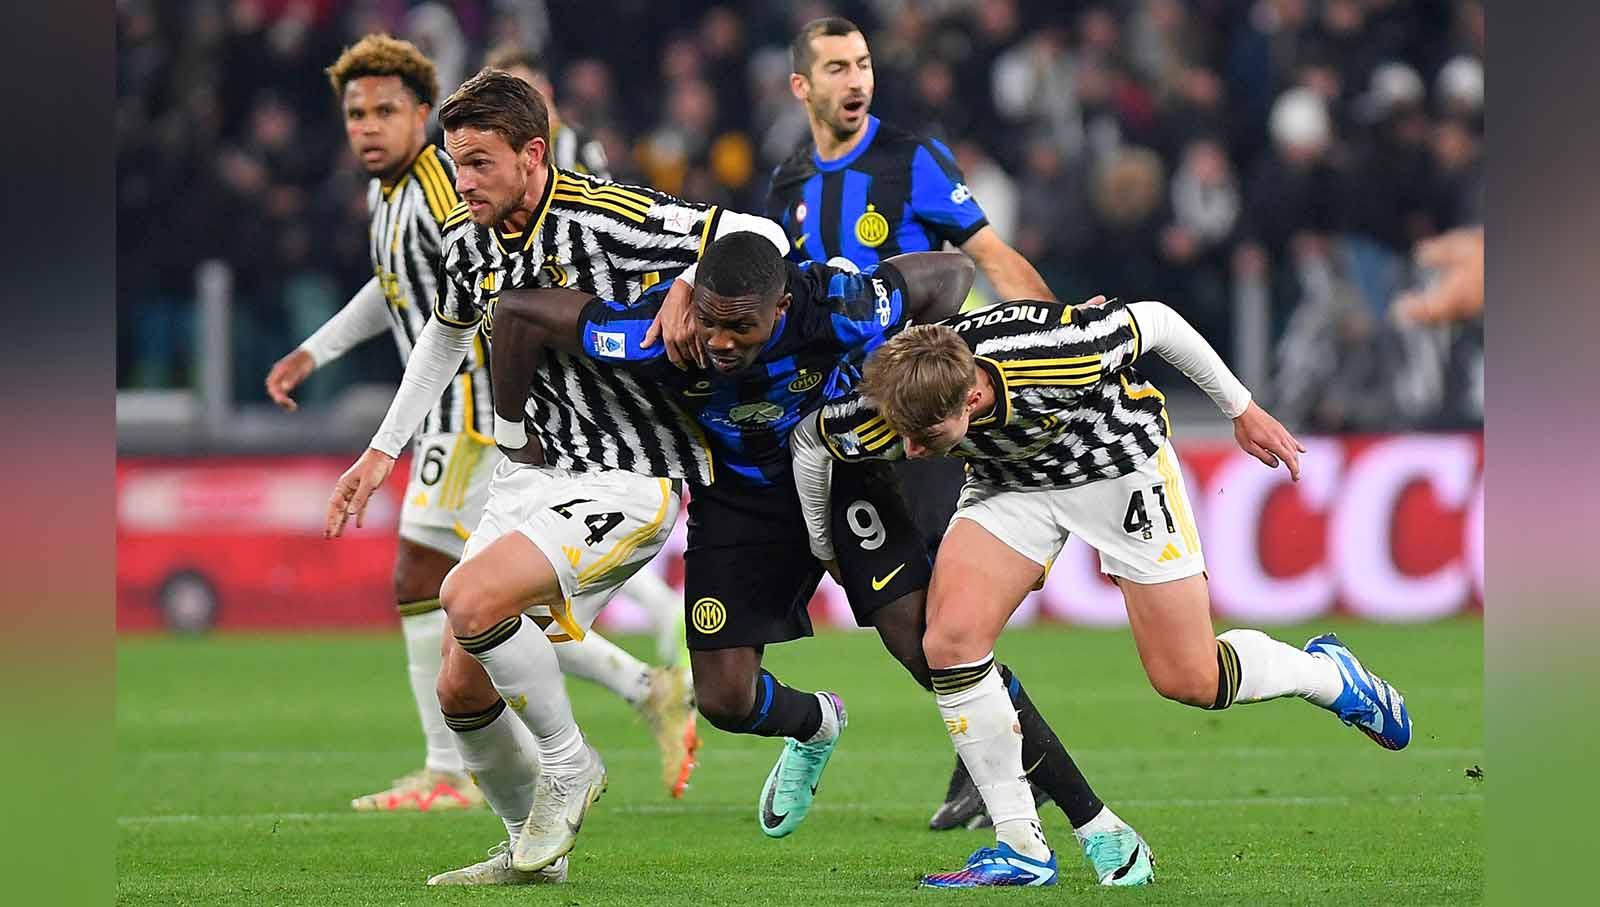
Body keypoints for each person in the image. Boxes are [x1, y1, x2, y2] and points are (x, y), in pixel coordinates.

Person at [488, 234, 1154, 887]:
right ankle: (815, 723)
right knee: (724, 698)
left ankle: (1095, 824)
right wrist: (514, 440)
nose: (720, 342)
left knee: (937, 651)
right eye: (711, 323)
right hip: (737, 496)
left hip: (844, 473)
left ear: (780, 309)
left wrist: (916, 375)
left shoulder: (841, 303)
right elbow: (516, 312)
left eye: (740, 327)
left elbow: (949, 272)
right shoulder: (653, 330)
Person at [322, 69, 791, 886]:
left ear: (533, 154)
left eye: (479, 164)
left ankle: (570, 764)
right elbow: (444, 335)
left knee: (468, 599)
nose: (462, 182)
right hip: (527, 476)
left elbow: (761, 233)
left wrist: (688, 282)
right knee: (460, 686)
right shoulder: (468, 239)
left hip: (627, 473)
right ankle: (528, 856)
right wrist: (381, 450)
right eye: (456, 163)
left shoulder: (609, 219)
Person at [790, 296, 1414, 887]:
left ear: (974, 394)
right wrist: (824, 547)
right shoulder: (906, 403)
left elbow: (1161, 322)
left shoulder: (1056, 347)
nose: (911, 450)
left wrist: (1240, 407)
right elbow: (812, 440)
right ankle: (1021, 848)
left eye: (924, 438)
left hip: (1121, 472)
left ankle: (1325, 674)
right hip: (1013, 488)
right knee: (949, 643)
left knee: (1189, 679)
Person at [263, 35, 692, 821]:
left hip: (480, 417)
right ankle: (639, 691)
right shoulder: (395, 196)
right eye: (354, 112)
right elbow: (415, 297)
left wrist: (694, 286)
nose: (366, 127)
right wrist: (317, 353)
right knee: (495, 608)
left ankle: (464, 766)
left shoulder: (445, 189)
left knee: (445, 589)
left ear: (422, 116)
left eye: (385, 110)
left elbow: (453, 323)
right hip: (468, 421)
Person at [762, 13, 1059, 833]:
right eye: (835, 68)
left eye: (862, 64)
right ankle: (995, 762)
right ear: (802, 85)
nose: (856, 80)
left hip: (924, 421)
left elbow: (992, 260)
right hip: (842, 431)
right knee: (908, 631)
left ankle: (1010, 769)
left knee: (945, 615)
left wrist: (1055, 348)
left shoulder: (911, 160)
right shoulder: (787, 185)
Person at [486, 43, 687, 667]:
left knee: (497, 607)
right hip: (520, 383)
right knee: (491, 614)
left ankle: (568, 753)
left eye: (527, 86)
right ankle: (636, 675)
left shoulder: (573, 168)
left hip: (590, 385)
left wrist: (673, 287)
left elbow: (614, 226)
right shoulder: (481, 181)